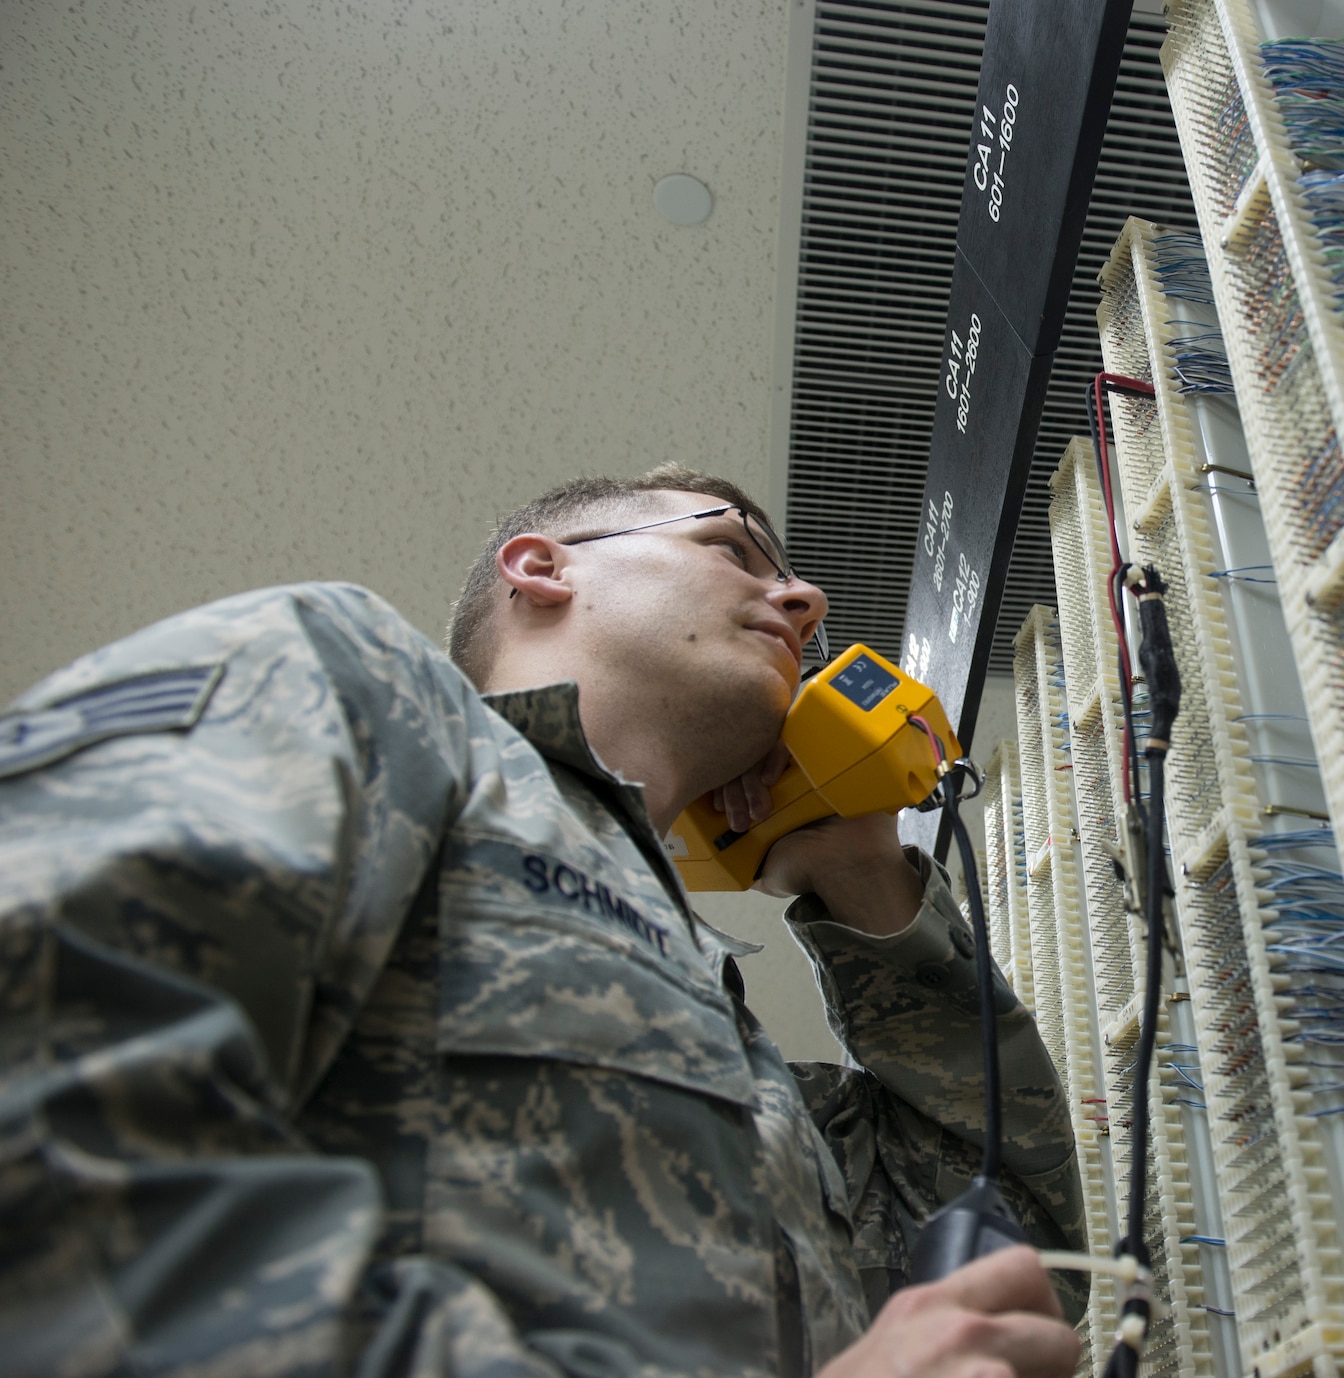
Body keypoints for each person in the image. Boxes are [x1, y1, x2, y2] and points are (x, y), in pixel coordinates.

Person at [0, 464, 1086, 1378]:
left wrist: (854, 867)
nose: (802, 601)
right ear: (542, 567)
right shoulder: (353, 685)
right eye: (736, 550)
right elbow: (49, 1151)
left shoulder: (728, 1044)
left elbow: (1015, 1240)